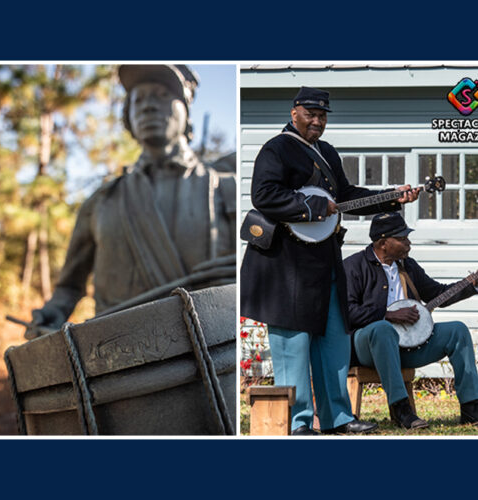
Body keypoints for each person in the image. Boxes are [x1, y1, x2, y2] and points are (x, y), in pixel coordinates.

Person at [240, 86, 420, 435]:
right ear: (295, 112)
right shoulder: (276, 149)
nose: (317, 121)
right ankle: (299, 421)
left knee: (335, 341)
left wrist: (391, 198)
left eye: (322, 116)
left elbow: (347, 197)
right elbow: (263, 195)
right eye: (311, 114)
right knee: (293, 344)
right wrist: (312, 206)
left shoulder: (326, 152)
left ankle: (338, 417)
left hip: (326, 260)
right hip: (288, 265)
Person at [27, 65, 236, 335]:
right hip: (117, 363)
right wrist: (51, 314)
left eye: (161, 95)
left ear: (186, 111)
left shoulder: (225, 189)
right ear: (128, 119)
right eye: (138, 100)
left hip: (208, 361)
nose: (148, 106)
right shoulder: (101, 202)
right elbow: (68, 287)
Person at [344, 212, 478, 429]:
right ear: (383, 243)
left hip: (409, 346)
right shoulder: (353, 266)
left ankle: (472, 408)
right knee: (382, 329)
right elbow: (347, 311)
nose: (408, 243)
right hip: (368, 347)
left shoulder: (408, 265)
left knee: (457, 330)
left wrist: (471, 284)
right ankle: (401, 410)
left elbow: (437, 293)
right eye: (402, 238)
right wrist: (387, 314)